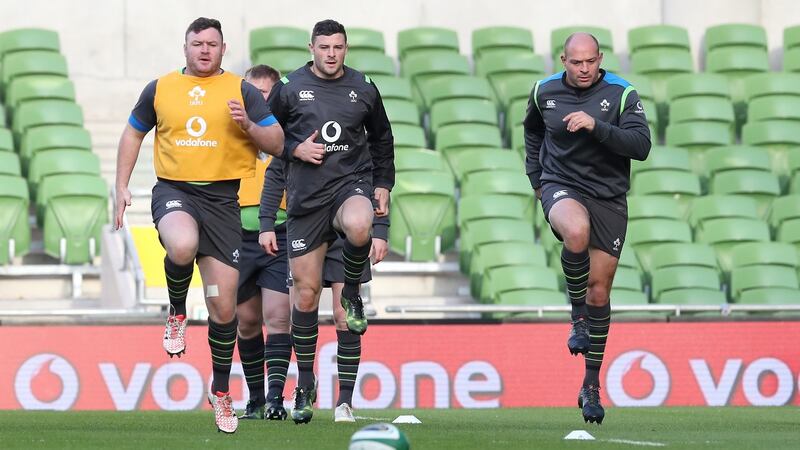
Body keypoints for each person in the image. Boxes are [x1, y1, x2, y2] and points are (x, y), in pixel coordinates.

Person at [114, 18, 284, 434]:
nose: (204, 50)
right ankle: (175, 313)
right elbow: (133, 134)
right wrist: (120, 186)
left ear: (223, 49)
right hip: (177, 191)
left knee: (224, 310)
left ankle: (222, 393)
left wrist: (248, 124)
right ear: (185, 47)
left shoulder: (242, 91)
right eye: (197, 43)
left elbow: (278, 142)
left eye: (212, 44)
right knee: (182, 245)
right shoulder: (160, 88)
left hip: (224, 202)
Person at [265, 19, 394, 424]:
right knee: (304, 299)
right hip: (305, 204)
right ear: (312, 47)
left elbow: (383, 140)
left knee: (359, 225)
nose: (331, 54)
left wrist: (384, 184)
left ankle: (352, 294)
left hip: (349, 187)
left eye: (338, 47)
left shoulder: (364, 87)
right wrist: (294, 148)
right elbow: (266, 138)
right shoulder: (289, 88)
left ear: (346, 48)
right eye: (324, 47)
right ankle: (305, 386)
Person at [523, 32, 650, 425]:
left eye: (590, 62)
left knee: (600, 291)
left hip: (609, 197)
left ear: (600, 59)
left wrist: (596, 126)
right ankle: (576, 317)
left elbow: (641, 146)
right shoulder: (543, 91)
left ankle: (590, 385)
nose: (583, 69)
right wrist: (538, 181)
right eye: (575, 62)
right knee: (574, 232)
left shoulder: (623, 93)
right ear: (563, 59)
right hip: (562, 185)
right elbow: (532, 132)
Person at [259, 157, 389, 423]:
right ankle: (305, 384)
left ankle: (345, 402)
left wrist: (380, 231)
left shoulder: (352, 129)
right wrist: (266, 224)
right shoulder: (299, 126)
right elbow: (275, 173)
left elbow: (376, 177)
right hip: (306, 226)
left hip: (344, 233)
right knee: (303, 307)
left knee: (344, 316)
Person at [232, 64, 291, 421]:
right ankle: (254, 398)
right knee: (247, 321)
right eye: (251, 94)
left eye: (264, 95)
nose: (257, 101)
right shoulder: (231, 135)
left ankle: (275, 399)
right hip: (237, 236)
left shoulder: (286, 136)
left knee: (278, 317)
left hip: (281, 235)